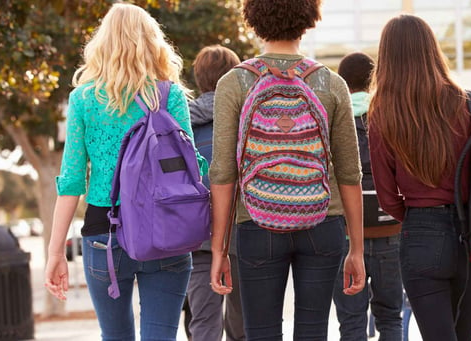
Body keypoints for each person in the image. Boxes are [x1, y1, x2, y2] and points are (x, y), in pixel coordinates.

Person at [44, 3, 207, 340]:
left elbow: (72, 182)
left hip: (105, 234)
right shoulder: (169, 94)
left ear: (102, 44)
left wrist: (55, 252)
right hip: (167, 231)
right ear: (152, 42)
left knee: (114, 335)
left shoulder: (83, 99)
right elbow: (194, 167)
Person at [209, 0, 366, 340]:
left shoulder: (234, 83)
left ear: (253, 18)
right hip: (323, 222)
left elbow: (223, 173)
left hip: (255, 222)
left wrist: (219, 249)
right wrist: (357, 248)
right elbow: (350, 173)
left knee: (261, 333)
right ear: (309, 18)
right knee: (313, 332)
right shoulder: (331, 83)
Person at [368, 14, 471, 341]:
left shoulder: (382, 110)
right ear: (432, 49)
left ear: (387, 56)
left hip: (421, 234)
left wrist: (417, 218)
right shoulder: (469, 103)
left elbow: (386, 196)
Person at [332, 52, 404, 341]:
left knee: (351, 321)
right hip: (390, 230)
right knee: (390, 317)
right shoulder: (391, 119)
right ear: (373, 81)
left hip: (345, 236)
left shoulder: (333, 119)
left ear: (342, 83)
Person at [187, 45, 245, 341]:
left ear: (199, 79)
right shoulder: (246, 120)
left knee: (203, 325)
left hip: (197, 237)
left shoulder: (181, 125)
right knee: (244, 327)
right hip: (241, 234)